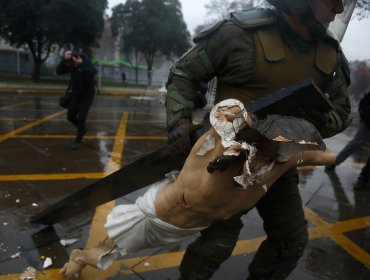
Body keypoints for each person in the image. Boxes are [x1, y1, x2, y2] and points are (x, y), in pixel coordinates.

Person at [165, 0, 351, 279]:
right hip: (224, 162)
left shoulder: (329, 52)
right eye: (332, 0)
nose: (338, 9)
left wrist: (321, 121)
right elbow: (184, 73)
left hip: (277, 163)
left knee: (291, 241)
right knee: (218, 242)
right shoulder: (239, 34)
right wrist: (178, 123)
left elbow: (344, 111)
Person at [59, 98, 336, 279]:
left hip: (186, 229)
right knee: (102, 255)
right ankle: (79, 256)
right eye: (267, 143)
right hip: (154, 217)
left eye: (280, 147)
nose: (270, 152)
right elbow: (224, 115)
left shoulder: (278, 165)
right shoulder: (220, 146)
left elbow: (313, 155)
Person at [326, 91, 370, 190]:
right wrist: (363, 115)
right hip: (368, 123)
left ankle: (364, 177)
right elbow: (365, 100)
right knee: (354, 144)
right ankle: (335, 162)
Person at [56, 49, 97, 150]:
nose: (73, 63)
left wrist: (81, 65)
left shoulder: (85, 62)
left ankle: (78, 139)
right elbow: (59, 71)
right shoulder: (70, 62)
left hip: (87, 94)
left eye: (74, 60)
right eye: (71, 60)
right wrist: (64, 59)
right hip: (75, 93)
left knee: (82, 116)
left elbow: (91, 73)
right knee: (70, 116)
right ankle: (82, 129)